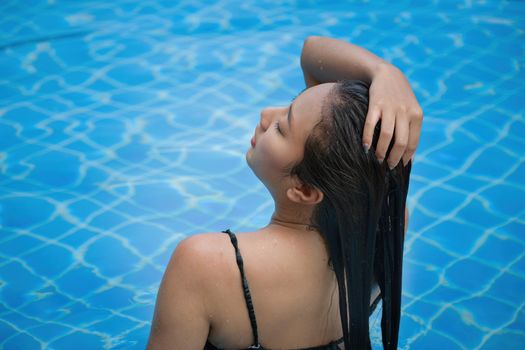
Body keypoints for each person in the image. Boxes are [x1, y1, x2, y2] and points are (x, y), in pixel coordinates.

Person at [147, 36, 422, 350]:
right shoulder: (385, 227)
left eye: (282, 127)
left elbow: (312, 53)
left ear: (304, 189)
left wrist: (383, 72)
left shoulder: (207, 265)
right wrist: (387, 74)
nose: (267, 115)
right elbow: (311, 55)